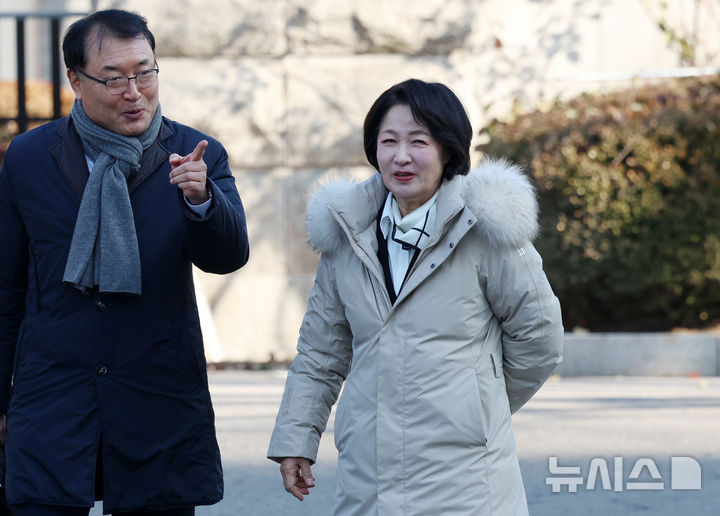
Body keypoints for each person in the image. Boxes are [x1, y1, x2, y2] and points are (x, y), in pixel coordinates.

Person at [267, 78, 563, 515]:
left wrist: (476, 407)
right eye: (389, 141)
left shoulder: (485, 230)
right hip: (368, 478)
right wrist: (296, 439)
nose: (401, 156)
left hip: (466, 482)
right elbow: (320, 352)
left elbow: (539, 337)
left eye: (418, 141)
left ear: (448, 150)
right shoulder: (348, 234)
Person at [0, 9, 249, 516]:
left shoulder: (194, 154)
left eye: (145, 72)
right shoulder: (28, 158)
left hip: (156, 395)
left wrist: (202, 202)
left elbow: (228, 256)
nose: (134, 92)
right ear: (76, 81)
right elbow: (6, 287)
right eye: (114, 78)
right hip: (54, 395)